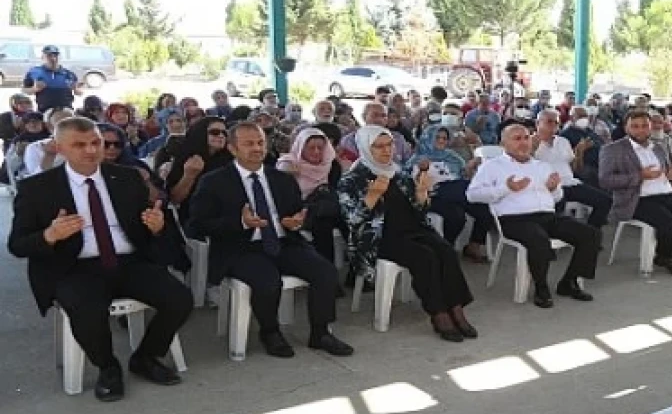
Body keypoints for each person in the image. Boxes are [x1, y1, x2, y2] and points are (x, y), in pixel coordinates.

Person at [8, 116, 192, 401]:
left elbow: (148, 227)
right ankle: (107, 366)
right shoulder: (37, 189)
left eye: (96, 143)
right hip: (74, 266)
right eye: (79, 145)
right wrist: (50, 235)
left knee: (179, 298)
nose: (91, 151)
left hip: (129, 261)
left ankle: (146, 357)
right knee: (86, 308)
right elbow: (17, 245)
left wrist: (156, 226)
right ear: (59, 148)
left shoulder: (126, 177)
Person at [187, 122, 352, 359]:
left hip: (283, 241)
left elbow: (296, 212)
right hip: (240, 248)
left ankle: (321, 332)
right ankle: (270, 331)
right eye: (249, 144)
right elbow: (198, 224)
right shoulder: (214, 181)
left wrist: (295, 221)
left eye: (260, 143)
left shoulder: (281, 178)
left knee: (324, 271)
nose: (256, 148)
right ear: (233, 149)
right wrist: (241, 223)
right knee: (267, 280)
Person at [338, 126, 477, 340]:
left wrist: (422, 194)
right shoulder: (352, 180)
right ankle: (438, 313)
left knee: (446, 251)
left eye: (389, 145)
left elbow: (419, 211)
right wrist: (372, 196)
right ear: (365, 148)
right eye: (378, 146)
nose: (386, 151)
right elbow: (353, 220)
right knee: (425, 257)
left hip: (413, 228)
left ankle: (456, 308)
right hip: (379, 237)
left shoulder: (398, 172)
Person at [468, 126, 600, 308]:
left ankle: (569, 282)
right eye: (517, 138)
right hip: (514, 219)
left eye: (526, 138)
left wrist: (554, 189)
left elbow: (557, 198)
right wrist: (505, 188)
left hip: (546, 216)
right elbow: (472, 195)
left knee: (590, 234)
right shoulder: (492, 166)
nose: (523, 142)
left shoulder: (542, 166)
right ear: (504, 143)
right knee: (538, 238)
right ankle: (541, 286)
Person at [599, 110, 672, 277]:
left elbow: (669, 169)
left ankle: (670, 255)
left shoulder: (658, 147)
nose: (641, 130)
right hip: (638, 199)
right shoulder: (613, 149)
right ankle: (669, 257)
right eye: (635, 126)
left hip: (668, 195)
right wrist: (640, 176)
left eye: (644, 126)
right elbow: (605, 181)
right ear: (626, 128)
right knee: (671, 227)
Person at [412, 124, 493, 263]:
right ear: (428, 138)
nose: (442, 141)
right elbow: (413, 184)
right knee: (461, 203)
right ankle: (446, 248)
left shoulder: (453, 157)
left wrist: (470, 168)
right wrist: (422, 170)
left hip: (456, 195)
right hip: (433, 195)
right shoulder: (418, 158)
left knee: (482, 209)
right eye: (437, 137)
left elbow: (465, 174)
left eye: (445, 138)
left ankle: (473, 245)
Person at [532, 110, 611, 228]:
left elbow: (576, 170)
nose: (553, 125)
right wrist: (532, 150)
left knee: (605, 201)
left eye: (556, 123)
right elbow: (524, 168)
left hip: (570, 183)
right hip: (548, 187)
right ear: (537, 123)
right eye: (549, 122)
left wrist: (579, 152)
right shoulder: (529, 142)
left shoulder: (563, 141)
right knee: (558, 213)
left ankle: (591, 231)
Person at [277, 127, 343, 264]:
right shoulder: (290, 162)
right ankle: (328, 272)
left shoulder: (331, 165)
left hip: (324, 210)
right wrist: (289, 171)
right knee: (323, 222)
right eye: (311, 148)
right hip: (298, 211)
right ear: (301, 147)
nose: (316, 152)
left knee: (332, 215)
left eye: (320, 148)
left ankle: (351, 271)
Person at [166, 117, 234, 220]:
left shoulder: (231, 158)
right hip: (194, 216)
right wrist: (189, 176)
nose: (221, 136)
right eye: (214, 132)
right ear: (201, 133)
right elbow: (174, 199)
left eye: (224, 133)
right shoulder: (186, 156)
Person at [22, 45, 82, 113]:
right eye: (49, 56)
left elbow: (80, 93)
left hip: (66, 110)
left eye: (55, 56)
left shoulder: (69, 74)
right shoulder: (34, 72)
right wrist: (34, 89)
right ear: (42, 57)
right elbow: (24, 90)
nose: (53, 59)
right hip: (44, 111)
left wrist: (76, 90)